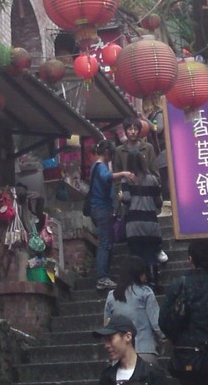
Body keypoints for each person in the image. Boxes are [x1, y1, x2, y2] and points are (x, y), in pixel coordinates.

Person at [159, 239, 208, 385]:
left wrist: (178, 340)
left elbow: (164, 322)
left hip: (187, 356)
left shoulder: (179, 285)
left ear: (190, 259)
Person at [88, 140, 134, 289]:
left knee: (107, 243)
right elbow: (107, 177)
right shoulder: (100, 166)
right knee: (104, 243)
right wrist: (123, 173)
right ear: (107, 153)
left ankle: (104, 275)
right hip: (101, 209)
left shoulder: (95, 167)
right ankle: (102, 277)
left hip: (99, 209)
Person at [104, 256, 164, 368]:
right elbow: (156, 323)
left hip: (120, 353)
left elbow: (107, 326)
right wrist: (166, 337)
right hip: (144, 349)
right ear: (139, 274)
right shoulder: (145, 292)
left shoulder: (112, 296)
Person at [121, 149, 164, 282]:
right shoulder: (153, 179)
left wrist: (121, 197)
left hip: (134, 224)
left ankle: (139, 283)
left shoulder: (126, 180)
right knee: (151, 255)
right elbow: (159, 202)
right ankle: (154, 282)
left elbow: (126, 199)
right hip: (151, 223)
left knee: (136, 257)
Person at [91, 314, 166, 385]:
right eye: (105, 340)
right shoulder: (106, 377)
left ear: (128, 337)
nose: (106, 345)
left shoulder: (153, 375)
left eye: (110, 339)